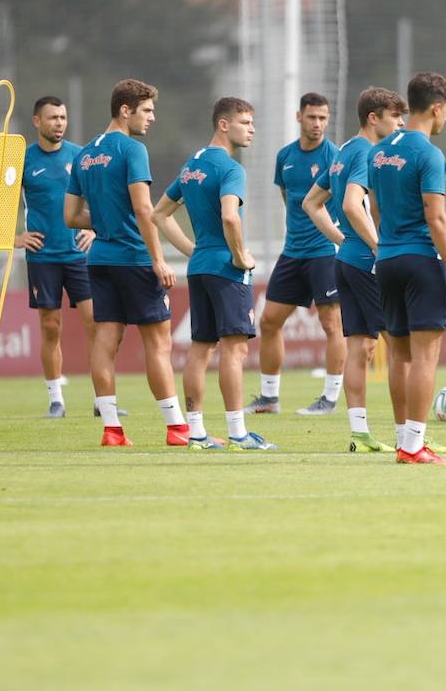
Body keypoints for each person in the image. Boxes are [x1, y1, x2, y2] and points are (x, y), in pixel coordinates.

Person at [64, 79, 190, 448]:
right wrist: (158, 260)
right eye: (146, 110)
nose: (152, 117)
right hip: (134, 258)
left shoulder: (84, 155)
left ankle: (112, 430)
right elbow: (144, 208)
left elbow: (71, 216)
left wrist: (105, 221)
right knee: (158, 344)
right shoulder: (133, 149)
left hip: (99, 259)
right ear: (125, 110)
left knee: (105, 341)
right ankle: (177, 429)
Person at [153, 97, 274, 450]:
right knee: (235, 351)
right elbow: (230, 217)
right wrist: (240, 256)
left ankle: (195, 433)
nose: (252, 130)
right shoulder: (231, 169)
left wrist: (194, 251)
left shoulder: (191, 166)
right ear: (224, 124)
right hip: (225, 268)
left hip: (201, 267)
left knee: (200, 349)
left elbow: (159, 214)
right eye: (245, 123)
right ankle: (238, 433)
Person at [367, 71, 446, 465]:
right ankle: (413, 445)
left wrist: (388, 242)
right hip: (421, 261)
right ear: (437, 108)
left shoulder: (379, 152)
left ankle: (403, 440)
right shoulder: (429, 154)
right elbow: (436, 217)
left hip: (387, 259)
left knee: (400, 355)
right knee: (425, 356)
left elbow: (375, 208)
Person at [302, 86, 407, 451]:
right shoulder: (368, 152)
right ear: (373, 118)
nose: (401, 123)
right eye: (395, 116)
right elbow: (350, 204)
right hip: (366, 262)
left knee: (360, 347)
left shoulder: (344, 150)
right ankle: (410, 436)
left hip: (346, 260)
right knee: (402, 347)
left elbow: (311, 203)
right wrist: (378, 247)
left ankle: (360, 434)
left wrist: (342, 239)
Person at [244, 93, 344, 416]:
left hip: (324, 251)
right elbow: (288, 196)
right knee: (269, 321)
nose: (318, 124)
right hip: (293, 251)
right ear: (299, 117)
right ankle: (269, 398)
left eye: (323, 118)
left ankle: (329, 399)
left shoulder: (334, 156)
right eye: (312, 117)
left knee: (332, 324)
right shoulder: (285, 156)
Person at [17, 96, 95, 418]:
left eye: (62, 117)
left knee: (97, 324)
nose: (59, 123)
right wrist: (15, 239)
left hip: (79, 255)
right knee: (51, 327)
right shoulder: (23, 160)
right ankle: (56, 400)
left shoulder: (80, 156)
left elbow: (101, 199)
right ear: (37, 121)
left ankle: (103, 399)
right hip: (42, 257)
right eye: (53, 118)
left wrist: (95, 231)